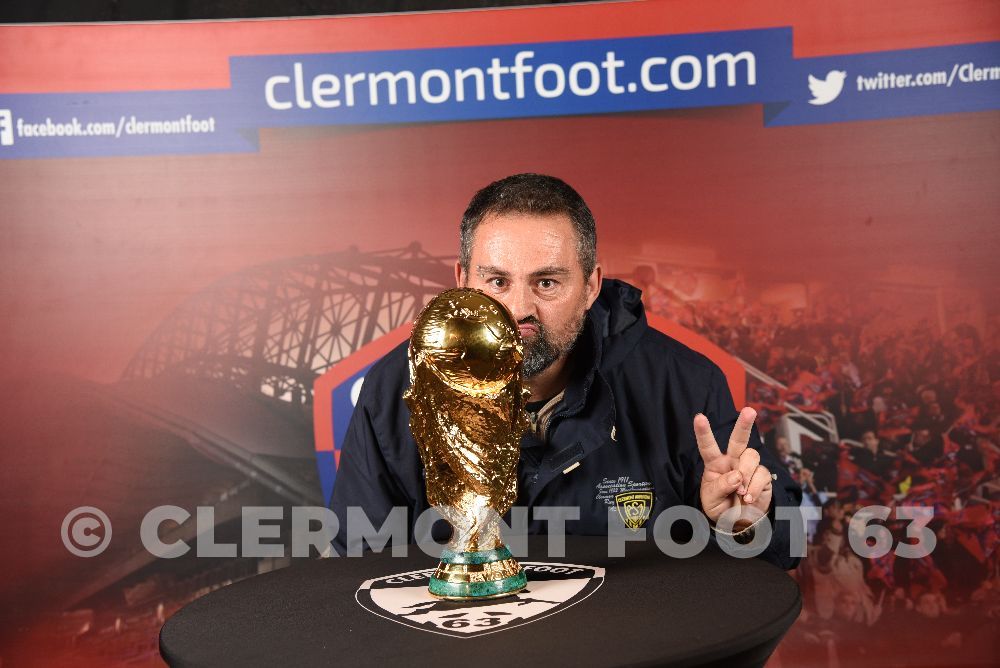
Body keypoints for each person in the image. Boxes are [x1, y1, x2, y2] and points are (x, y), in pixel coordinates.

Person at [329, 173, 802, 568]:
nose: (518, 309)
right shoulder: (398, 387)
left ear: (592, 285)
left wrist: (744, 526)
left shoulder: (683, 386)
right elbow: (358, 567)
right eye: (496, 281)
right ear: (462, 281)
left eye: (548, 282)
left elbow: (784, 546)